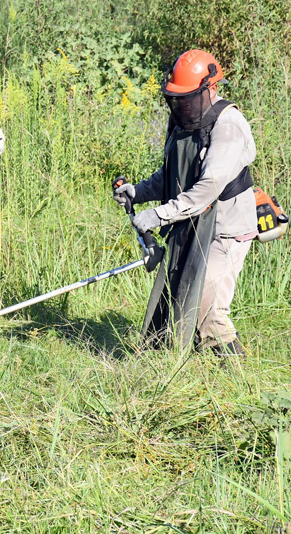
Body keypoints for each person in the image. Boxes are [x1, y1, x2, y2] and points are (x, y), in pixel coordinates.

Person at [113, 49, 256, 357]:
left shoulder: (228, 127)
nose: (183, 106)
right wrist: (138, 193)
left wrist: (159, 215)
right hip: (193, 224)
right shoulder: (186, 122)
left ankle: (236, 376)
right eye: (179, 99)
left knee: (207, 305)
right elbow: (171, 175)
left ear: (211, 89)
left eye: (190, 98)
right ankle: (179, 361)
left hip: (225, 229)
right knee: (178, 297)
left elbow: (207, 189)